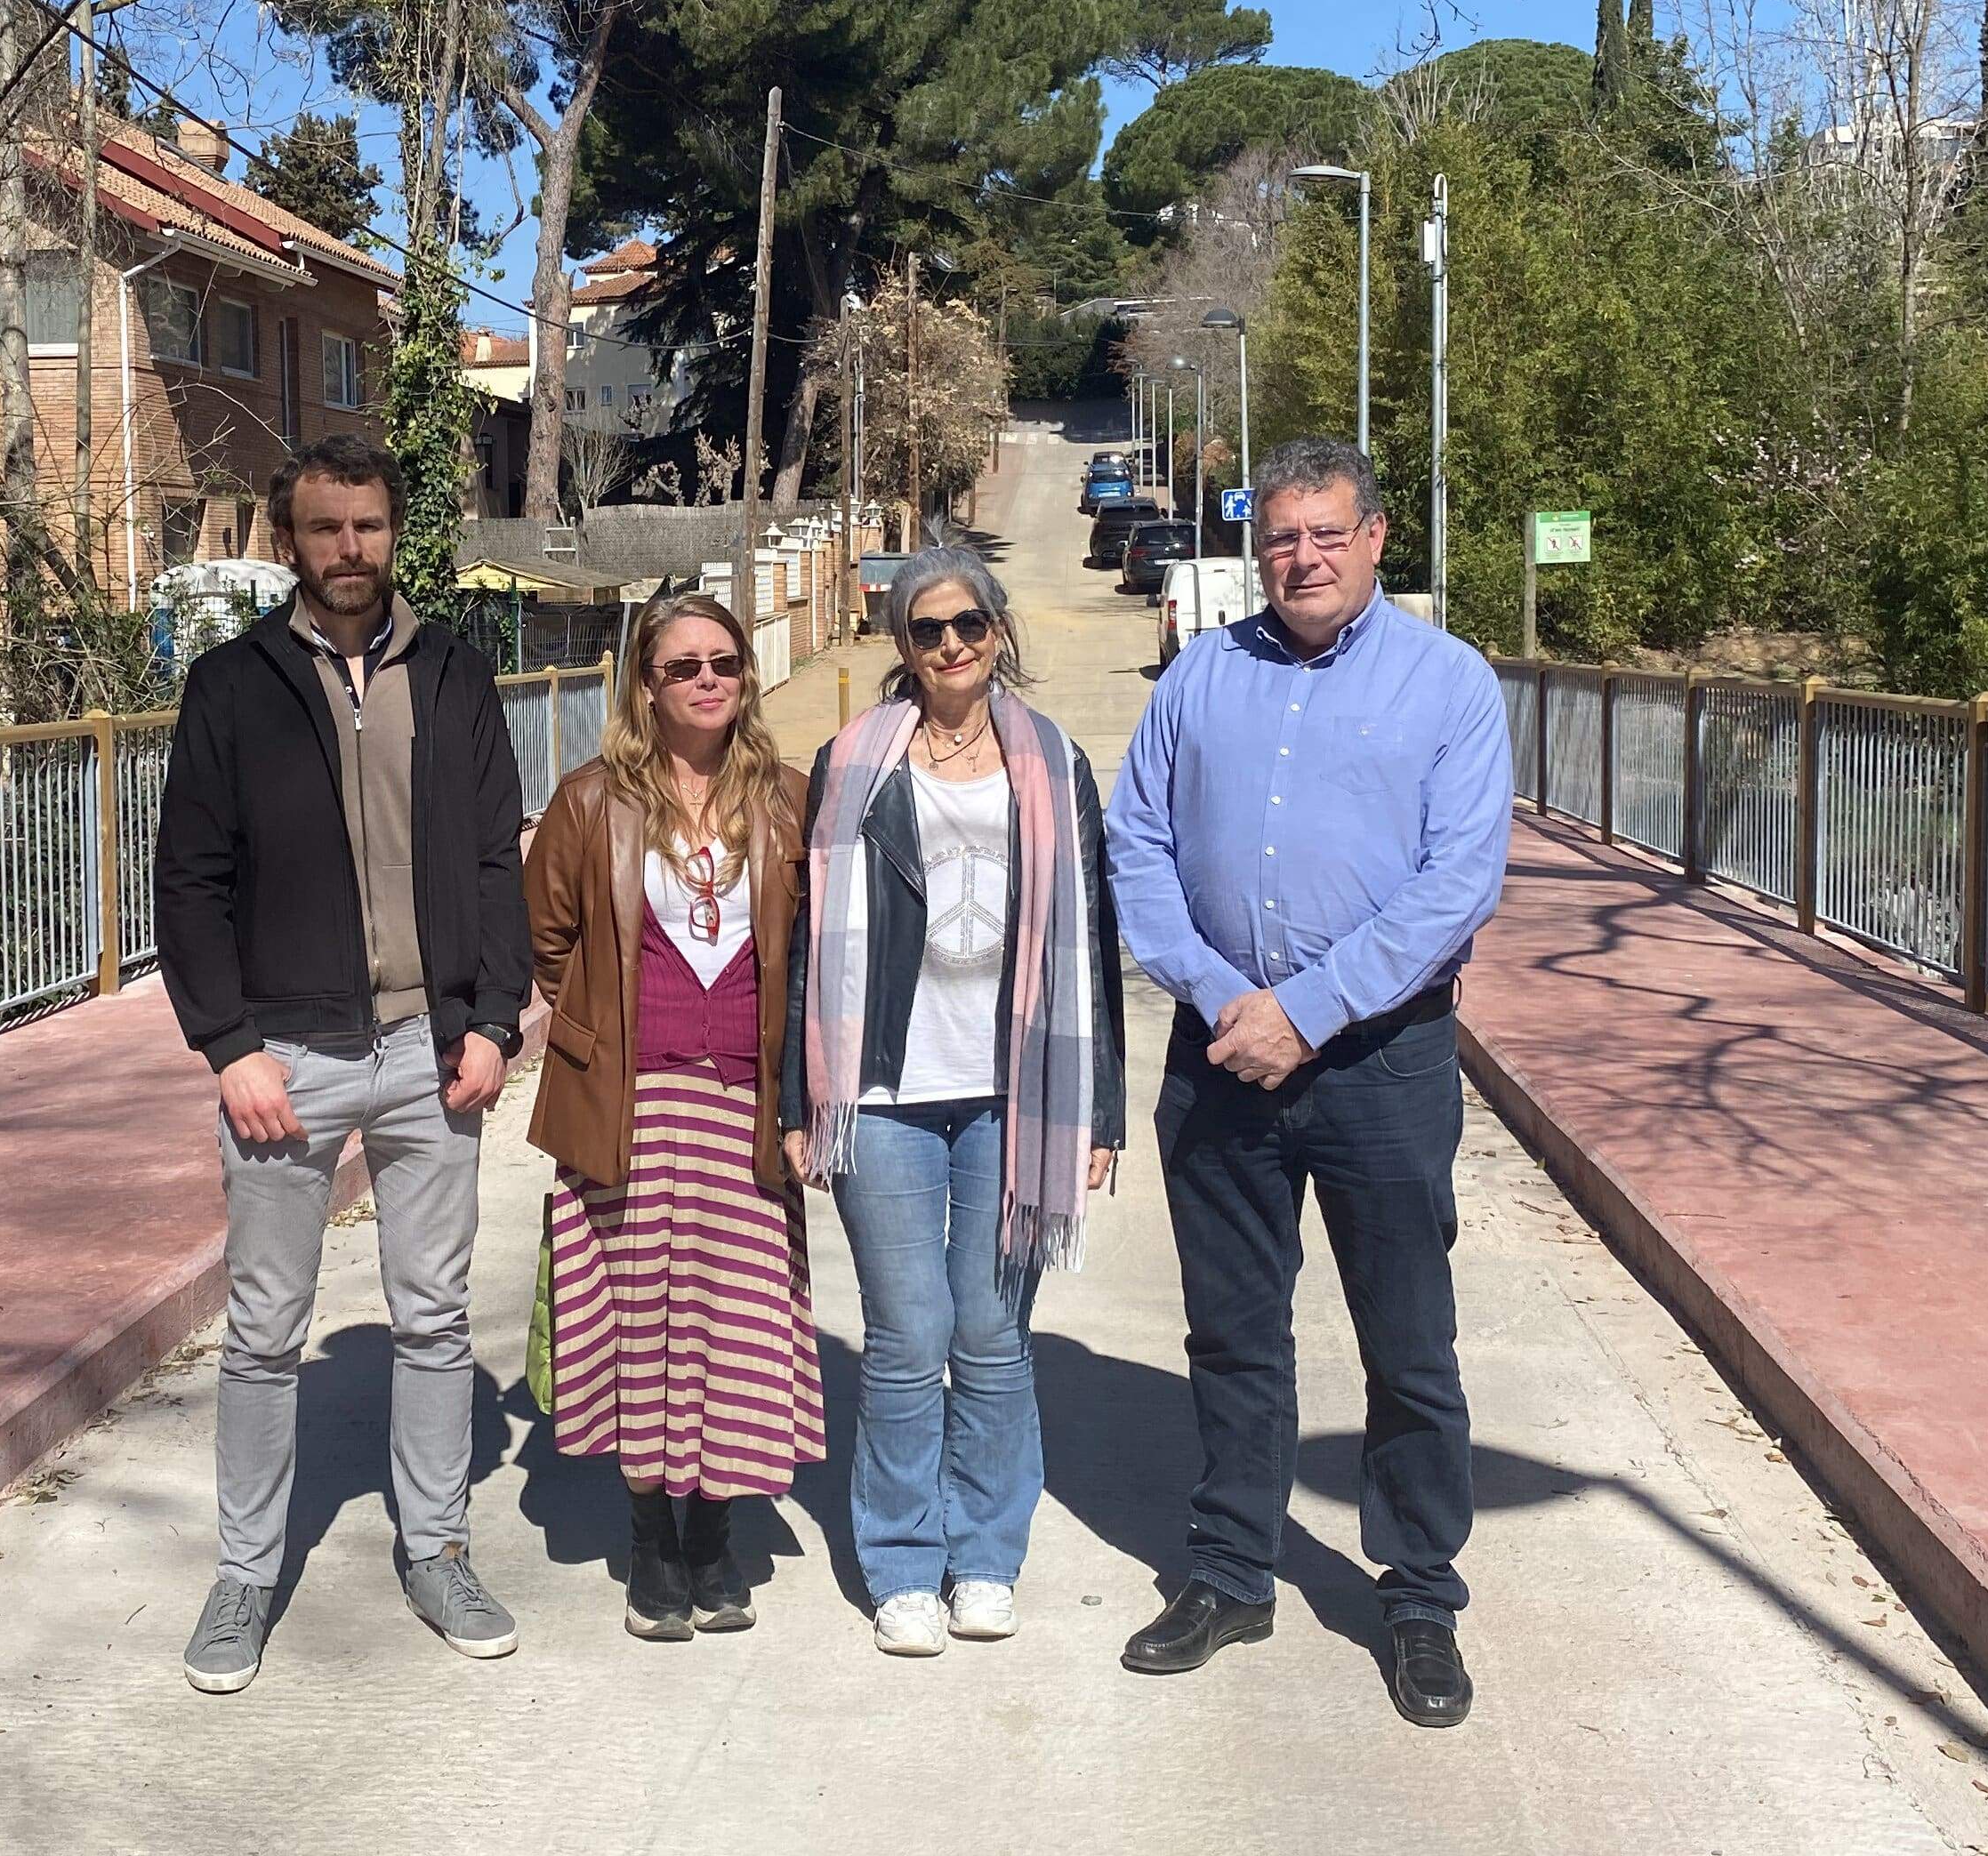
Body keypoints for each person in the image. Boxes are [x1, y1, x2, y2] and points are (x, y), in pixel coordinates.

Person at [1105, 438, 1511, 1722]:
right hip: (1222, 1056)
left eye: (1327, 533)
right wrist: (1233, 1003)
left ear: (1378, 537)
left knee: (1408, 1343)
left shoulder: (1450, 685)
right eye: (1282, 536)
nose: (1304, 557)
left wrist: (1312, 1009)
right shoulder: (1199, 679)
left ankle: (1418, 1599)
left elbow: (1458, 885)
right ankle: (1232, 1572)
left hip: (1383, 1062)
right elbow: (1138, 848)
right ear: (1257, 546)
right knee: (1232, 1333)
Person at [152, 437, 534, 1695]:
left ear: (393, 530)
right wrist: (229, 1048)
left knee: (433, 1320)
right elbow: (191, 885)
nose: (350, 551)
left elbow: (495, 862)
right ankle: (247, 1572)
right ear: (289, 538)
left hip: (434, 1053)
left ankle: (434, 1547)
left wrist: (491, 1021)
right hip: (288, 1060)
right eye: (326, 530)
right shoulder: (232, 687)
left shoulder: (457, 676)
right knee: (265, 1331)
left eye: (368, 527)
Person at [783, 548, 1123, 1657]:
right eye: (926, 631)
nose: (950, 648)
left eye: (967, 625)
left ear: (997, 628)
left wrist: (1101, 1113)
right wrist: (800, 1095)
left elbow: (1093, 943)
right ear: (900, 643)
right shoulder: (855, 762)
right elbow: (805, 947)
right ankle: (901, 1566)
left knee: (989, 1333)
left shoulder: (1054, 763)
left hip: (1011, 1093)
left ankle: (984, 1557)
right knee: (905, 1334)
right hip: (882, 1088)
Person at [522, 595, 817, 1641]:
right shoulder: (591, 801)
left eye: (723, 662)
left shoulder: (788, 800)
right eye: (682, 664)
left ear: (744, 676)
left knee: (734, 1329)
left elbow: (815, 951)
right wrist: (609, 1033)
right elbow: (549, 942)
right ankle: (651, 1537)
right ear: (645, 683)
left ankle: (715, 1536)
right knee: (644, 1329)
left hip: (746, 1104)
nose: (705, 679)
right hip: (634, 1108)